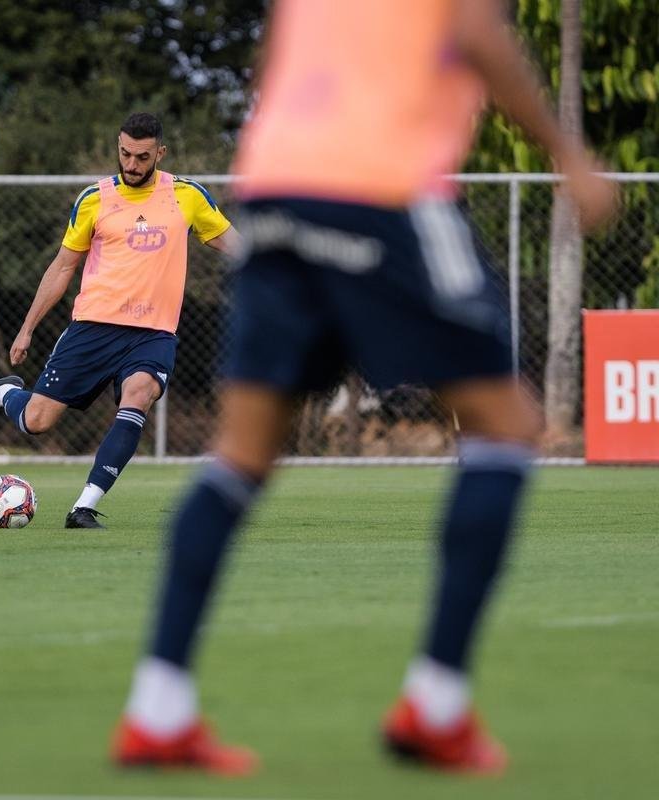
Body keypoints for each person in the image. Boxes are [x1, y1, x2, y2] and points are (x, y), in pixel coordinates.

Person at [109, 0, 618, 777]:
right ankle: (438, 707)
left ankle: (158, 710)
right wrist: (569, 156)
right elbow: (477, 32)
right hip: (384, 185)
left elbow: (276, 56)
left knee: (240, 455)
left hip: (275, 187)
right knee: (507, 425)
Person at [0, 112, 241, 528]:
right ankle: (3, 393)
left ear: (160, 153)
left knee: (139, 393)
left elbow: (232, 242)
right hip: (94, 327)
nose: (132, 164)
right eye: (125, 154)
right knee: (37, 421)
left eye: (142, 157)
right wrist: (27, 329)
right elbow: (62, 267)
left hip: (154, 333)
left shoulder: (187, 196)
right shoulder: (94, 199)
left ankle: (83, 508)